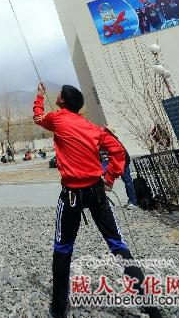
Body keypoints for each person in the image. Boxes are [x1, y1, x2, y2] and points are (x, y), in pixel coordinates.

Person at [34, 83, 161, 318]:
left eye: (59, 93)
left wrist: (40, 96)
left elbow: (38, 117)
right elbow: (119, 152)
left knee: (62, 247)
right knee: (117, 244)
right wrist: (110, 178)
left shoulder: (57, 119)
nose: (57, 94)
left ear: (63, 101)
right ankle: (150, 307)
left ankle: (59, 308)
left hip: (71, 195)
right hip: (97, 193)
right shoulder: (92, 128)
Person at [104, 125, 138, 209]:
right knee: (127, 181)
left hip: (123, 162)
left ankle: (133, 201)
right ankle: (131, 200)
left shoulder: (113, 141)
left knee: (127, 181)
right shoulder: (113, 140)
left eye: (106, 130)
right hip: (122, 161)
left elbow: (121, 154)